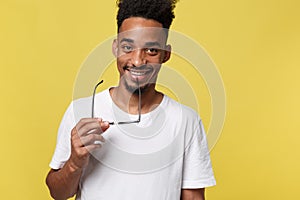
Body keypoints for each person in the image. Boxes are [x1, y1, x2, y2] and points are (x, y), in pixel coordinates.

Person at [46, 0, 216, 199]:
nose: (137, 61)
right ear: (116, 48)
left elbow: (193, 197)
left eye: (151, 50)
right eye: (128, 47)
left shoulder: (186, 120)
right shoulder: (81, 110)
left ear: (165, 54)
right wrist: (75, 162)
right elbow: (57, 193)